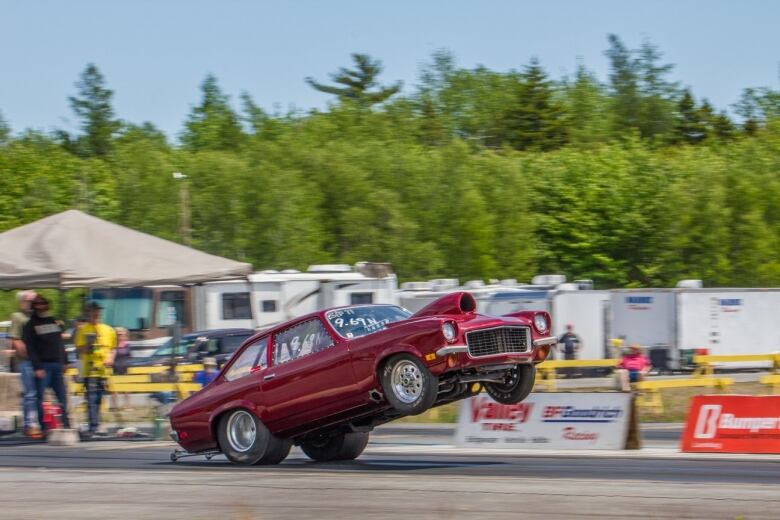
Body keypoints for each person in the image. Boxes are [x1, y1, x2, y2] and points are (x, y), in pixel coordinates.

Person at [23, 295, 71, 432]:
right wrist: (37, 367)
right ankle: (44, 428)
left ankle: (65, 424)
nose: (41, 306)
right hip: (43, 365)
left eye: (43, 303)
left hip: (57, 364)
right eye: (37, 304)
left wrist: (65, 361)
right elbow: (30, 349)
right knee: (40, 398)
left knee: (62, 396)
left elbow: (60, 343)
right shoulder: (30, 325)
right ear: (33, 306)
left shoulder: (52, 321)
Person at [74, 302, 117, 436]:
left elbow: (113, 348)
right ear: (88, 313)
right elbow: (79, 350)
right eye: (92, 312)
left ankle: (98, 424)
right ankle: (93, 426)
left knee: (100, 399)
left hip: (103, 371)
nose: (95, 314)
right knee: (92, 399)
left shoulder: (108, 330)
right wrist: (88, 345)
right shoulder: (83, 330)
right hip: (89, 370)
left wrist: (110, 358)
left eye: (97, 312)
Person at [9, 290, 41, 439]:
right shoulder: (18, 317)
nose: (31, 303)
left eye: (33, 301)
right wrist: (27, 353)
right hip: (27, 360)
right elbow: (15, 339)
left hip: (40, 360)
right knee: (30, 393)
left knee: (39, 393)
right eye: (28, 301)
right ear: (22, 302)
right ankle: (29, 424)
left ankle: (40, 423)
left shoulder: (38, 317)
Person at [107, 327, 131, 411]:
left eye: (121, 333)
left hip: (125, 368)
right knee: (114, 389)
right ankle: (114, 406)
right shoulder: (113, 344)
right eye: (117, 333)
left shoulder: (127, 344)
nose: (119, 334)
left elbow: (130, 356)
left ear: (124, 334)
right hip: (115, 368)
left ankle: (127, 406)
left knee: (126, 389)